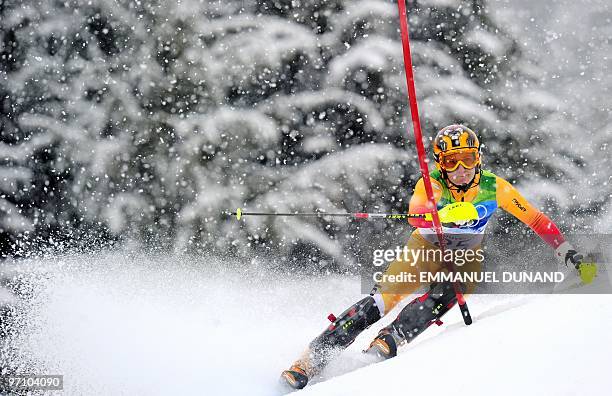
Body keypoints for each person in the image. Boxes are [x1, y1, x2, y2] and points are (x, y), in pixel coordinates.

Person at [280, 124, 597, 390]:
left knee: (450, 291)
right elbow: (415, 215)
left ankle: (394, 336)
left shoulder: (494, 188)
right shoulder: (431, 184)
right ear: (440, 164)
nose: (460, 170)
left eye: (467, 160)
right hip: (426, 248)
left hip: (466, 255)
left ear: (478, 159)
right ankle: (310, 361)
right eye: (450, 162)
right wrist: (446, 211)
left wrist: (565, 251)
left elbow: (537, 220)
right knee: (382, 300)